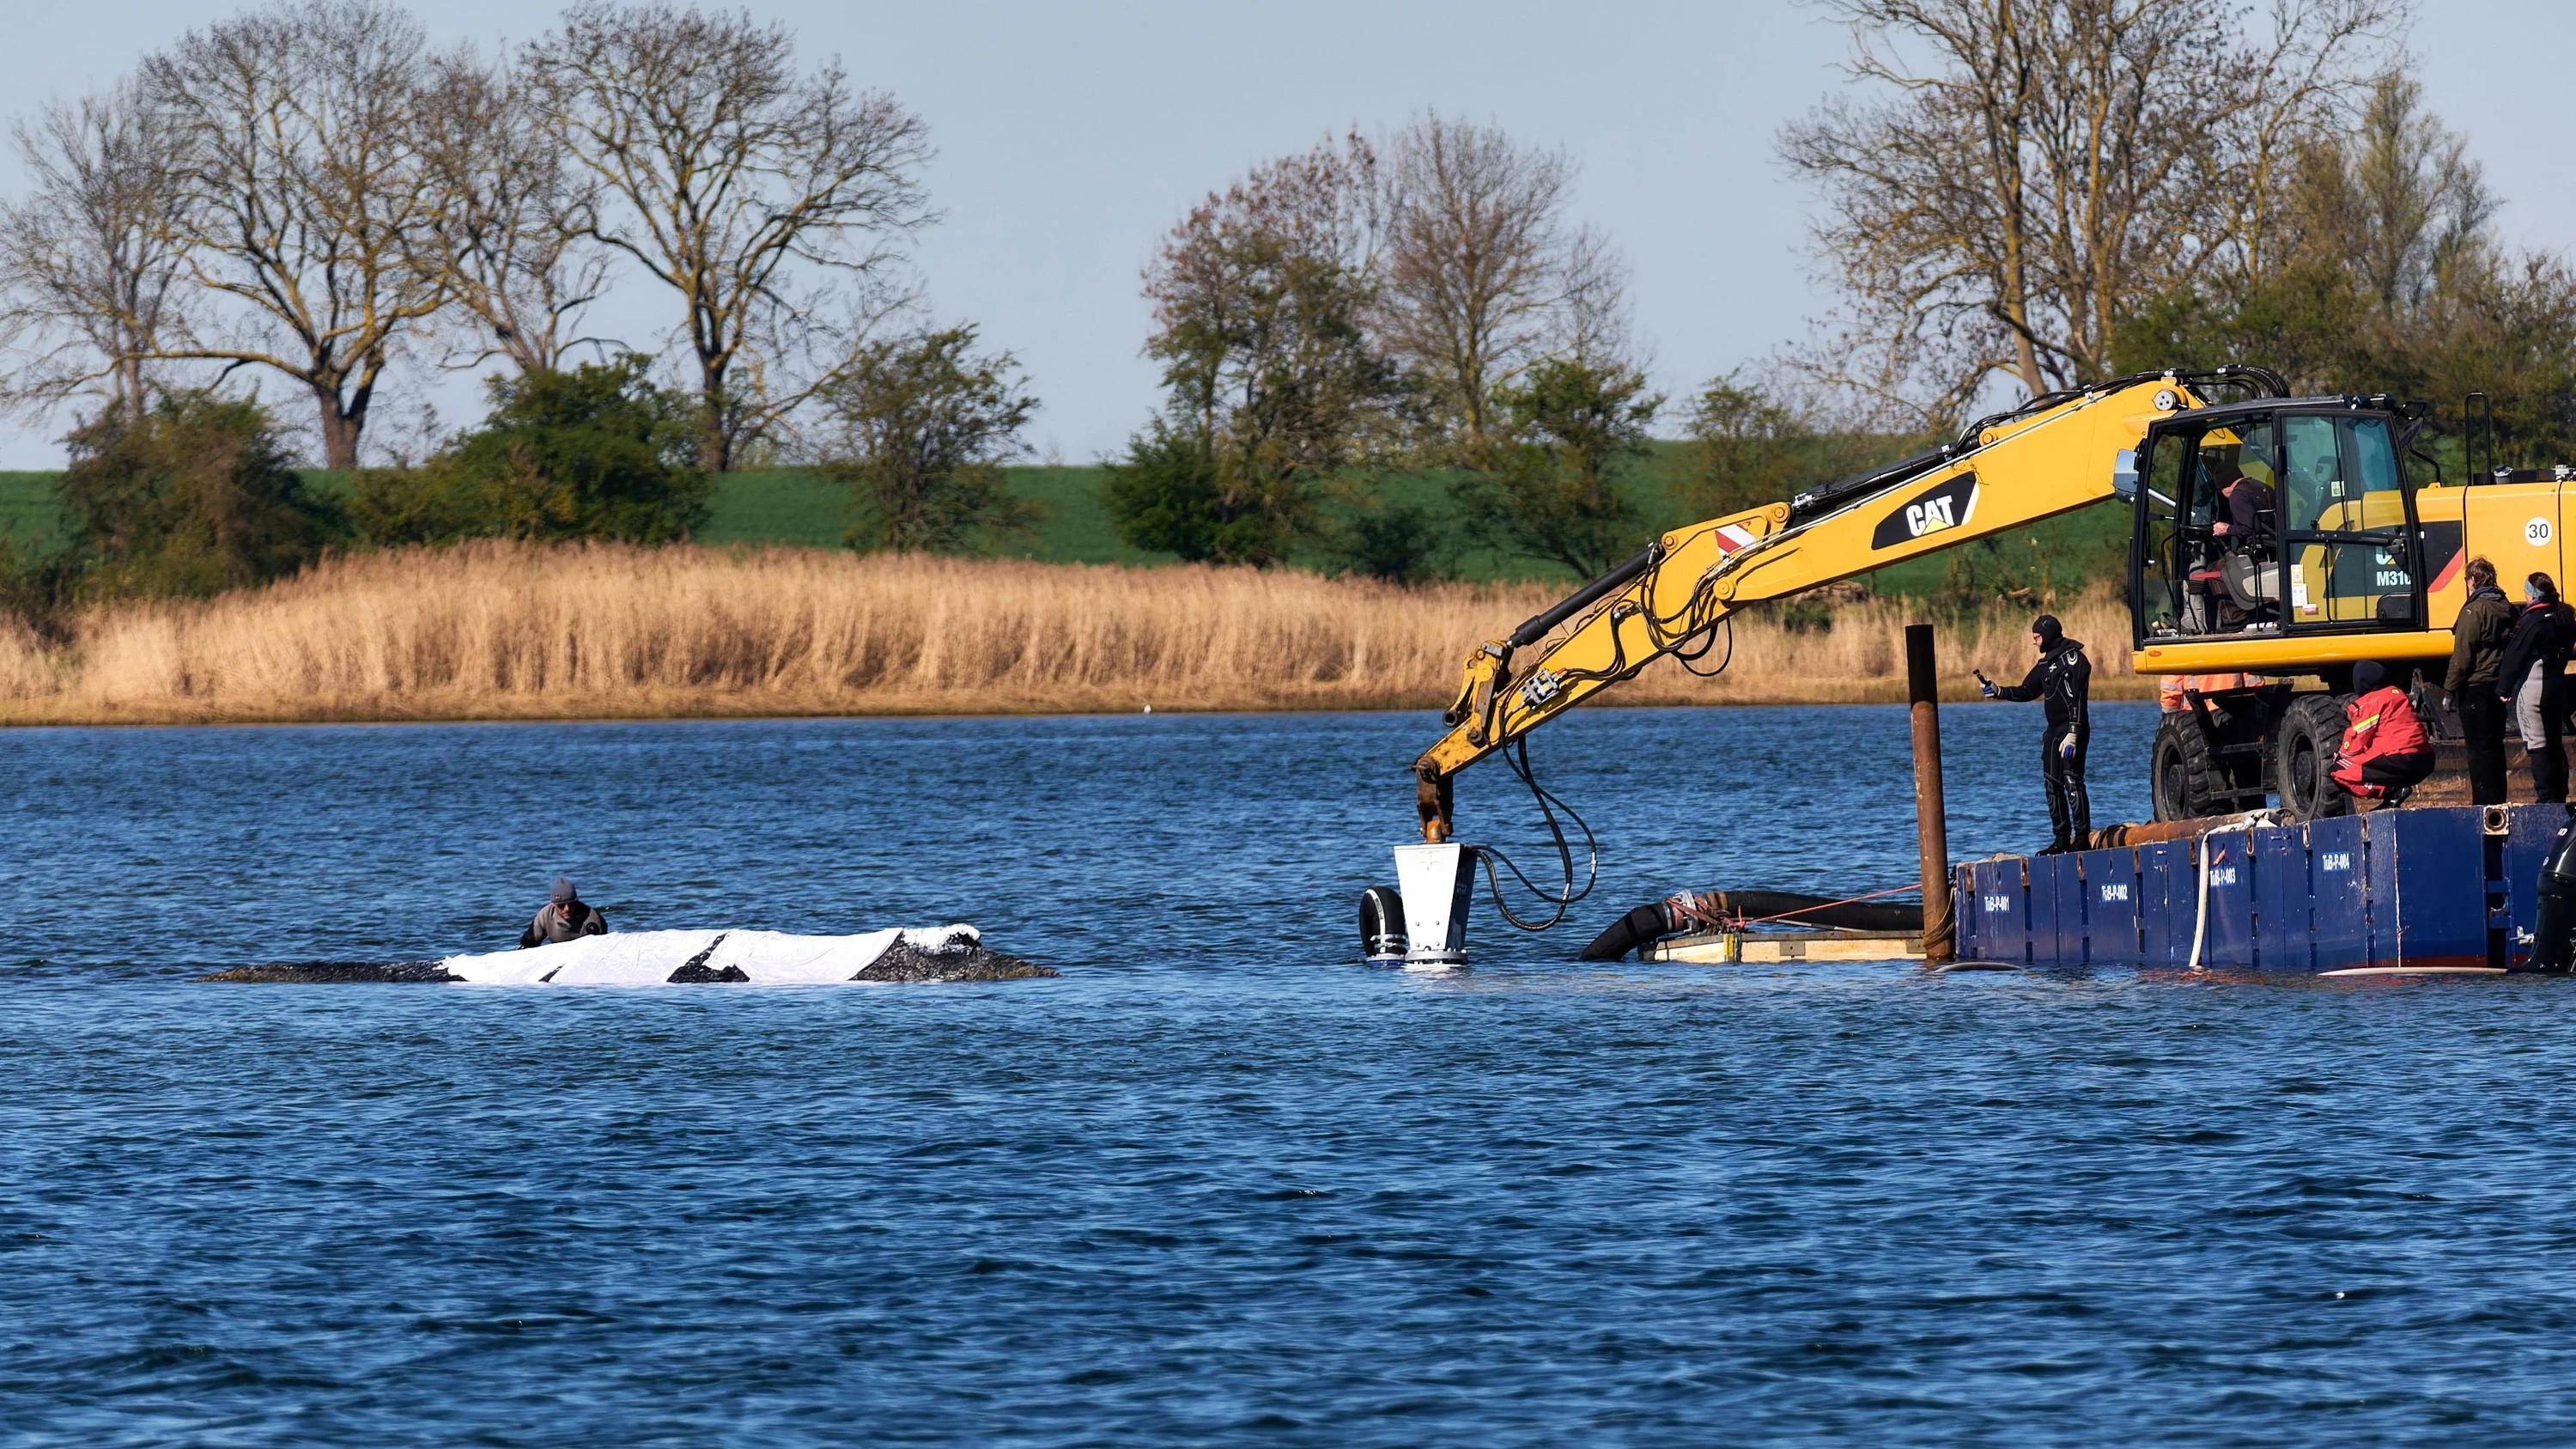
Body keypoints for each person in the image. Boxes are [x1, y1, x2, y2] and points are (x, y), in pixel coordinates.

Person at [1982, 613, 2092, 854]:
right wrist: (1999, 691)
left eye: (2037, 637)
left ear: (2048, 635)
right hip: (2053, 732)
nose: (2034, 642)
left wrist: (2074, 731)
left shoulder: (2074, 659)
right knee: (2052, 784)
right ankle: (2062, 838)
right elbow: (2027, 690)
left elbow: (2078, 698)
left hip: (2073, 730)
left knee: (2072, 781)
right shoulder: (2045, 664)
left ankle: (2082, 838)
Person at [2496, 571, 2576, 802]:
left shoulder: (2534, 621)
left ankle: (2545, 797)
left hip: (2534, 690)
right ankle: (2559, 793)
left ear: (2532, 595)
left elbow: (2515, 655)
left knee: (2538, 743)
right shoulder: (2564, 616)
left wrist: (2504, 689)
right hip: (2557, 686)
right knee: (2554, 741)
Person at [2445, 557, 2517, 804]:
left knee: (2478, 750)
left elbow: (2462, 655)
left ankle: (2483, 804)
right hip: (2499, 686)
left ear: (2473, 580)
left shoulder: (2473, 611)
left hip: (2475, 687)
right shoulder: (2507, 608)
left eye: (2467, 579)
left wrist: (2449, 690)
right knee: (2495, 747)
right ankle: (2498, 799)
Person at [2330, 661, 2434, 804]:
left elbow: (2357, 738)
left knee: (2338, 770)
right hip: (2425, 760)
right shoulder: (2399, 695)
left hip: (2398, 758)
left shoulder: (2369, 703)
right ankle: (2391, 798)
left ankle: (2390, 792)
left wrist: (2340, 756)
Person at [520, 876, 609, 947]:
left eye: (571, 904)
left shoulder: (592, 918)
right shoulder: (545, 915)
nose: (567, 909)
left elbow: (601, 949)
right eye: (561, 905)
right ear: (553, 904)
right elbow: (528, 943)